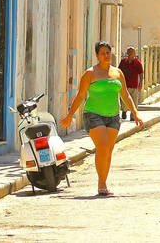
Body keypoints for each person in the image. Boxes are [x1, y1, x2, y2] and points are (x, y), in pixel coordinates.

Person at [61, 41, 143, 196]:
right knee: (103, 147)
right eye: (103, 53)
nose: (106, 56)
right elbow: (80, 96)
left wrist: (135, 113)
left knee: (109, 150)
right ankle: (102, 183)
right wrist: (70, 115)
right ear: (97, 55)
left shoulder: (118, 73)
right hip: (93, 114)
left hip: (113, 116)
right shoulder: (90, 74)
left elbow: (125, 95)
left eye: (108, 52)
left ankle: (103, 181)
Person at [118, 46, 143, 121]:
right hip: (125, 85)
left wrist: (141, 83)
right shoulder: (123, 62)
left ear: (134, 53)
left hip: (134, 85)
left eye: (131, 52)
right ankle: (124, 111)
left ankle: (133, 115)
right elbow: (119, 71)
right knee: (124, 100)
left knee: (134, 101)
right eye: (129, 52)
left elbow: (141, 73)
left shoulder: (137, 62)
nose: (130, 54)